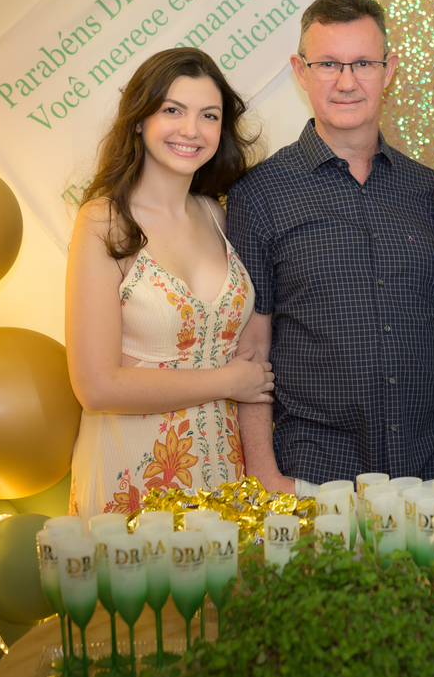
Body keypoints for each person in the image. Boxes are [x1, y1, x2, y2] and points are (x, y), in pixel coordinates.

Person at [226, 0, 434, 494]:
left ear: (388, 70)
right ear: (300, 70)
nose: (347, 82)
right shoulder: (259, 195)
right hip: (314, 476)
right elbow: (252, 348)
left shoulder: (431, 190)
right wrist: (264, 475)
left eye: (364, 64)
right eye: (328, 64)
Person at [66, 48, 272, 520]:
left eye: (209, 115)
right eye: (173, 110)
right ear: (140, 120)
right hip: (134, 474)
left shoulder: (216, 214)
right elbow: (95, 386)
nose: (191, 129)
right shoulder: (104, 221)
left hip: (223, 476)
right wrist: (229, 381)